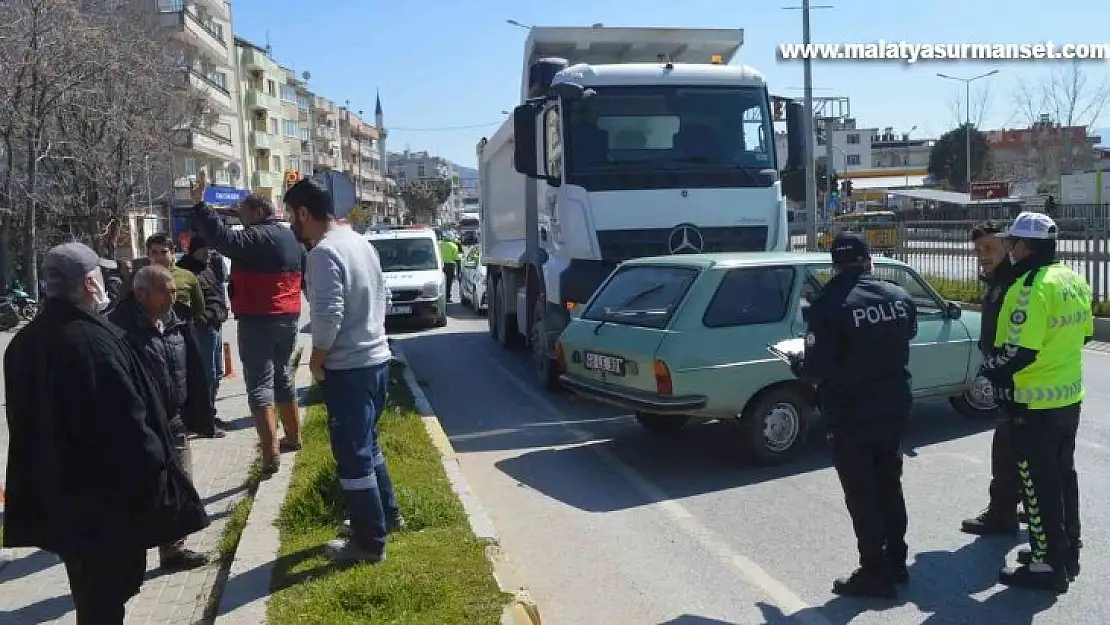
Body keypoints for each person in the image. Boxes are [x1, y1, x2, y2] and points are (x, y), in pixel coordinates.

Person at [4, 243, 207, 624]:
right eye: (99, 276)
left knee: (90, 592)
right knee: (104, 598)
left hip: (59, 496)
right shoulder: (93, 344)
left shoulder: (24, 343)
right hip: (102, 502)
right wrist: (160, 477)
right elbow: (129, 426)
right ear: (89, 285)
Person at [791, 232, 917, 598]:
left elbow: (817, 368)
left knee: (863, 494)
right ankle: (896, 562)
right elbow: (906, 333)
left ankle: (874, 572)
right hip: (894, 407)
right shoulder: (897, 295)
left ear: (835, 264)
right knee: (889, 485)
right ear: (868, 260)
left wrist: (798, 363)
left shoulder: (826, 305)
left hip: (851, 414)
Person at [284, 177, 402, 563]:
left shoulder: (321, 253)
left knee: (353, 458)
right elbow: (383, 295)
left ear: (304, 212)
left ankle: (369, 544)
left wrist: (316, 361)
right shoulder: (359, 241)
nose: (291, 225)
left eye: (291, 216)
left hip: (349, 368)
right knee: (369, 447)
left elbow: (328, 315)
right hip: (376, 361)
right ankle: (386, 516)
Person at [980, 211, 1092, 593]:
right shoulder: (1073, 279)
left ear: (1023, 246)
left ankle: (1046, 565)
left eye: (1011, 243)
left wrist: (989, 372)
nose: (1008, 249)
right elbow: (1085, 335)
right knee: (1064, 477)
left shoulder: (1028, 286)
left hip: (1032, 402)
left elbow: (1018, 351)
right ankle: (1065, 549)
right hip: (1068, 398)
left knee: (1037, 485)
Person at [190, 171, 303, 475]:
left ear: (257, 212)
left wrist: (200, 205)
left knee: (259, 385)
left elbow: (223, 239)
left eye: (243, 213)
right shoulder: (291, 236)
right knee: (283, 377)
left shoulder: (256, 236)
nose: (241, 219)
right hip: (289, 317)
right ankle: (293, 436)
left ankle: (270, 454)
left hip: (258, 319)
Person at [109, 264, 217, 570]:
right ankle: (130, 556)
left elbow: (194, 367)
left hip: (175, 421)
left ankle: (172, 550)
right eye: (165, 292)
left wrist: (200, 410)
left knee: (180, 484)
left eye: (174, 291)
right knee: (144, 490)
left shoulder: (177, 320)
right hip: (141, 425)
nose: (172, 297)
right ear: (141, 294)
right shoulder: (119, 328)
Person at [960, 221, 1025, 536]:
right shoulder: (998, 279)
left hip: (1013, 377)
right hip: (1008, 374)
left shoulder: (1013, 282)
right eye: (978, 250)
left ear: (1007, 246)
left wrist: (997, 368)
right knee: (1019, 447)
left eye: (989, 248)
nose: (982, 255)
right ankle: (1026, 503)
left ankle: (1003, 513)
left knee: (1007, 448)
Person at [178, 234, 232, 428]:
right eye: (205, 249)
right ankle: (204, 419)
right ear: (195, 249)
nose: (209, 253)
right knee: (206, 376)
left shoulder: (209, 267)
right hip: (202, 329)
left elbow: (217, 294)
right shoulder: (186, 270)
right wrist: (202, 317)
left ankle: (210, 412)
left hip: (214, 326)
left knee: (216, 373)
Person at [123, 233, 206, 322]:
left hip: (177, 330)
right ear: (148, 254)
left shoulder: (187, 276)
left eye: (164, 252)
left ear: (172, 252)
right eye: (154, 252)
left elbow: (199, 310)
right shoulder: (137, 278)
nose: (159, 257)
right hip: (144, 331)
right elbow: (121, 306)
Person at [438, 234, 460, 303]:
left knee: (440, 282)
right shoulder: (454, 246)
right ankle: (447, 297)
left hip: (440, 265)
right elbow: (456, 258)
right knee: (449, 282)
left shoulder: (439, 244)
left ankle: (440, 297)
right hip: (450, 265)